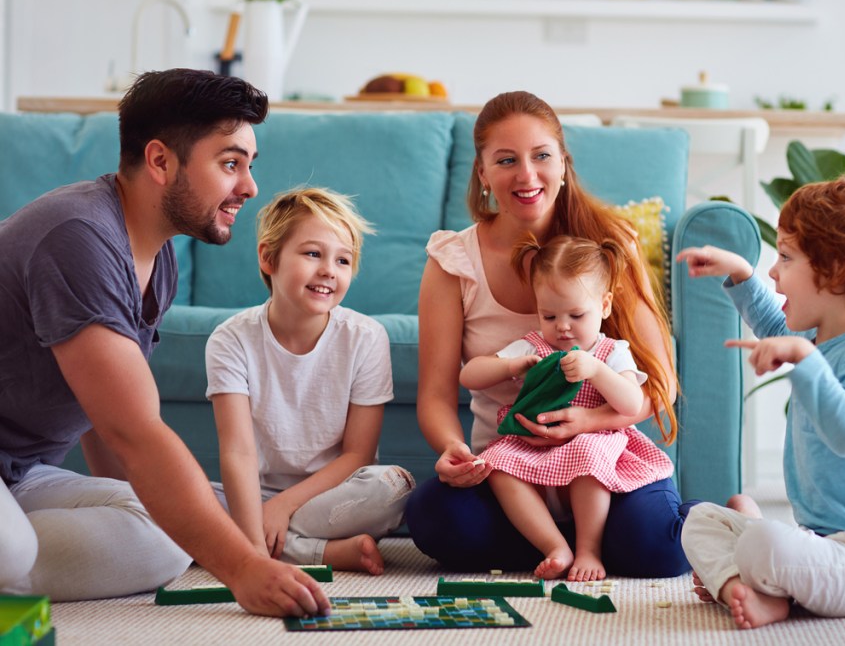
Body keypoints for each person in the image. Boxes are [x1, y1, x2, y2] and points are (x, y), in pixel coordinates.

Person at [0, 68, 330, 618]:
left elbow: (107, 418)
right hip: (17, 476)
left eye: (249, 167)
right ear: (160, 161)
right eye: (230, 164)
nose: (249, 187)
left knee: (164, 531)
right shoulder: (77, 238)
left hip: (19, 472)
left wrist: (145, 511)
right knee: (15, 554)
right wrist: (243, 569)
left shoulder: (157, 256)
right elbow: (134, 431)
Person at [406, 90, 698, 578]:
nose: (526, 175)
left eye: (541, 156)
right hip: (510, 466)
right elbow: (437, 394)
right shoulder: (452, 263)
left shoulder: (610, 246)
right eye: (506, 160)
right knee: (434, 518)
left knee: (658, 552)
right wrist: (452, 449)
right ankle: (569, 546)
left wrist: (586, 422)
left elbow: (656, 384)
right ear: (482, 173)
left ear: (563, 162)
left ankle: (592, 540)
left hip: (599, 461)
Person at [675, 176, 845, 629]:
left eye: (785, 257)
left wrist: (805, 358)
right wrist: (739, 272)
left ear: (836, 270)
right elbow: (772, 322)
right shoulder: (821, 335)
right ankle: (743, 589)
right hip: (816, 546)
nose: (774, 270)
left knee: (760, 541)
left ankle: (755, 584)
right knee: (699, 519)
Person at [206, 187, 414, 576]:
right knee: (170, 505)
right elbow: (237, 453)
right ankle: (317, 552)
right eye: (313, 254)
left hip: (334, 496)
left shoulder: (365, 337)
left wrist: (282, 509)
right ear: (268, 258)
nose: (328, 271)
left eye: (343, 260)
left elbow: (358, 455)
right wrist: (259, 521)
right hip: (255, 494)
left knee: (393, 486)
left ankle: (247, 542)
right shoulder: (231, 339)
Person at [463, 234, 676, 582]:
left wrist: (597, 371)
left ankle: (588, 548)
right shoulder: (533, 346)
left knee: (589, 456)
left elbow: (632, 402)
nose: (562, 327)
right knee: (497, 467)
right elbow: (470, 375)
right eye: (549, 315)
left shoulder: (610, 352)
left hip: (592, 442)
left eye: (576, 314)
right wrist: (511, 366)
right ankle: (554, 545)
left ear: (605, 306)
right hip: (533, 447)